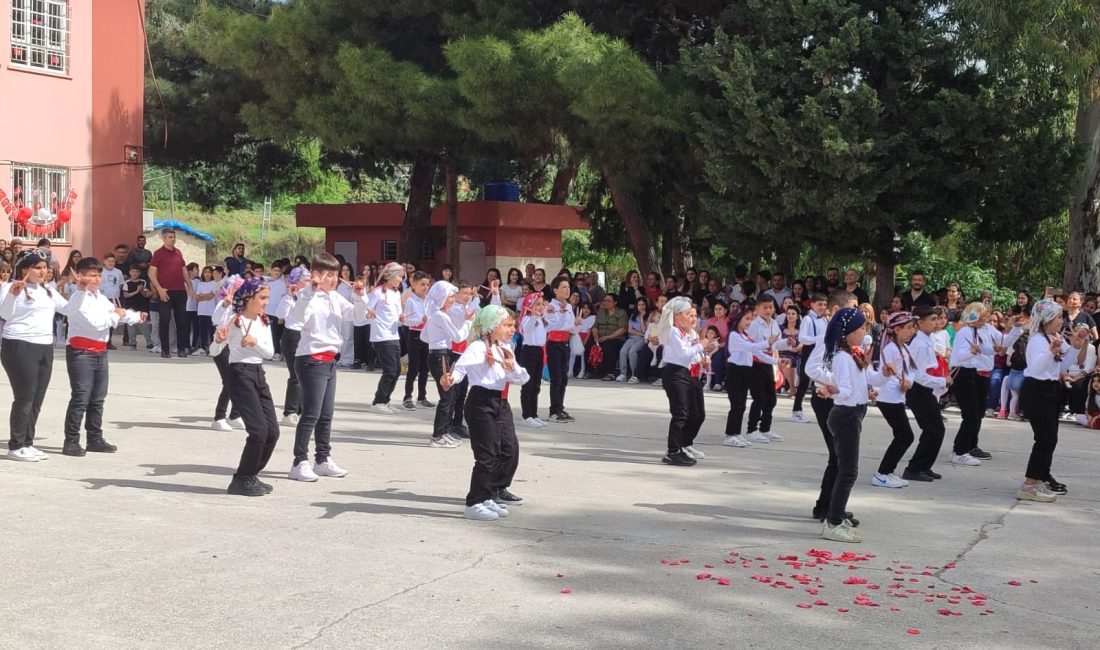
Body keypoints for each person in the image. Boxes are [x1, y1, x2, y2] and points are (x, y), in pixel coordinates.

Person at [441, 304, 530, 521]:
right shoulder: (478, 348)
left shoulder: (503, 348)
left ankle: (491, 493)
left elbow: (522, 379)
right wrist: (449, 380)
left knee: (509, 449)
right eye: (507, 325)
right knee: (487, 454)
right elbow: (459, 369)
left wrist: (512, 368)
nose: (511, 330)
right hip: (481, 402)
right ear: (491, 326)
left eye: (513, 326)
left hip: (500, 403)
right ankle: (474, 502)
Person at [287, 252, 369, 482]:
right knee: (311, 413)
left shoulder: (334, 297)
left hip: (330, 359)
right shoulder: (307, 295)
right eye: (329, 275)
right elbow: (297, 319)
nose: (333, 280)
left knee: (326, 415)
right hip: (311, 359)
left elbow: (356, 316)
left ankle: (322, 459)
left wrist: (360, 296)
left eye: (335, 275)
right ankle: (299, 461)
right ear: (316, 275)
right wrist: (308, 292)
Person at [57, 257, 144, 456]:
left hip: (99, 352)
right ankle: (71, 440)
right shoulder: (77, 299)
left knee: (97, 398)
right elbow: (96, 323)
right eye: (93, 275)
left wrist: (136, 316)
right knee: (81, 398)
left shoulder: (99, 296)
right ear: (80, 276)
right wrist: (118, 316)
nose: (97, 279)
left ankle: (94, 438)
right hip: (81, 353)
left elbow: (116, 312)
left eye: (99, 275)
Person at [207, 276, 279, 497]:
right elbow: (214, 351)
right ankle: (241, 479)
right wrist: (219, 340)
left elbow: (269, 353)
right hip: (239, 374)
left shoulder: (264, 321)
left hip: (258, 374)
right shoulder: (234, 320)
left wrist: (254, 344)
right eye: (262, 298)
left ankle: (250, 474)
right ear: (248, 298)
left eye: (267, 298)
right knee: (258, 431)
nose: (266, 302)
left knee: (272, 432)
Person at [1, 250, 69, 461]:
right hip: (19, 345)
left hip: (44, 346)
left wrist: (84, 290)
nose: (43, 272)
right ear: (24, 269)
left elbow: (69, 309)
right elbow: (4, 314)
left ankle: (28, 442)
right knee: (25, 396)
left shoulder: (47, 290)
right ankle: (16, 445)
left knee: (37, 398)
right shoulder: (9, 287)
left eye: (45, 268)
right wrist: (13, 293)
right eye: (37, 268)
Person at [1017, 300, 1087, 502]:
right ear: (1046, 320)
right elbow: (1036, 368)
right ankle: (1029, 485)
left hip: (1050, 390)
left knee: (1050, 438)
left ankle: (1039, 477)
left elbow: (1063, 365)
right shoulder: (1038, 340)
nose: (1061, 321)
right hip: (1037, 391)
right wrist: (1050, 351)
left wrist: (1075, 346)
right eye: (1057, 317)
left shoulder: (1053, 337)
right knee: (1045, 438)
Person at [817, 307, 877, 543]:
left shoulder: (854, 354)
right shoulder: (842, 358)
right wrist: (833, 390)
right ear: (848, 332)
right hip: (846, 415)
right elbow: (845, 391)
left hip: (854, 412)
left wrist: (882, 378)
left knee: (847, 469)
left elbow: (869, 380)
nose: (865, 331)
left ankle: (836, 515)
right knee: (848, 471)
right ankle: (833, 522)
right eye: (861, 328)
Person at [657, 296, 715, 466]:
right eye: (688, 314)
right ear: (676, 316)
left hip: (690, 373)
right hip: (675, 373)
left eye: (694, 315)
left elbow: (693, 354)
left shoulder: (691, 333)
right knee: (680, 413)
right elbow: (683, 354)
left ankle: (684, 444)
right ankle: (673, 450)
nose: (693, 318)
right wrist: (701, 345)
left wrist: (703, 355)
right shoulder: (673, 331)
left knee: (697, 414)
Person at [900, 305, 951, 482]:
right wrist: (942, 381)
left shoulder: (927, 340)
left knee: (935, 429)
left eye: (937, 319)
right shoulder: (920, 344)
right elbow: (919, 375)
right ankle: (914, 468)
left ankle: (924, 465)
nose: (936, 323)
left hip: (925, 390)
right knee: (933, 429)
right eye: (932, 319)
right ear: (920, 323)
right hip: (919, 390)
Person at [870, 312, 919, 489]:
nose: (911, 331)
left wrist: (909, 382)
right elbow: (884, 373)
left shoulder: (905, 348)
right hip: (888, 397)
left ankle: (887, 471)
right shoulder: (889, 349)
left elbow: (913, 370)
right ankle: (882, 473)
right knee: (905, 436)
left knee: (903, 436)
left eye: (912, 327)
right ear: (896, 330)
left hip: (898, 396)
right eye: (908, 328)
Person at [423, 280, 471, 448]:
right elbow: (458, 337)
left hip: (439, 354)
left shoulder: (434, 315)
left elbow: (424, 337)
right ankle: (438, 435)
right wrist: (468, 322)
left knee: (448, 396)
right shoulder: (440, 315)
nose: (452, 299)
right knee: (447, 396)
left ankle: (443, 432)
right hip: (441, 356)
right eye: (450, 296)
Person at [724, 302, 773, 448]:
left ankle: (737, 433)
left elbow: (756, 352)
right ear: (738, 319)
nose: (749, 322)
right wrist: (767, 342)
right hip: (735, 371)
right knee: (736, 404)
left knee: (742, 404)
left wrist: (776, 360)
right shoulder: (733, 335)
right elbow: (750, 347)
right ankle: (729, 435)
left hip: (745, 371)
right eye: (746, 319)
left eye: (750, 319)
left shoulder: (744, 335)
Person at [365, 262, 406, 414]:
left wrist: (402, 318)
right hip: (381, 336)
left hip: (394, 334)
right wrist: (369, 314)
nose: (401, 280)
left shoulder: (396, 293)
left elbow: (397, 315)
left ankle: (386, 400)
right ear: (390, 276)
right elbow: (366, 311)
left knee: (396, 370)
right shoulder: (377, 293)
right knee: (389, 370)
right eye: (399, 277)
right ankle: (378, 402)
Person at [148, 228, 193, 359]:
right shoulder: (158, 253)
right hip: (166, 292)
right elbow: (152, 273)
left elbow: (183, 269)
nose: (172, 239)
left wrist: (189, 285)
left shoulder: (178, 252)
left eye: (173, 237)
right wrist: (159, 289)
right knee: (164, 321)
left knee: (182, 321)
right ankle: (165, 349)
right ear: (163, 238)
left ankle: (181, 349)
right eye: (169, 237)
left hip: (180, 291)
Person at [745, 297, 782, 443]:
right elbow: (756, 349)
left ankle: (765, 427)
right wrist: (775, 360)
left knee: (771, 398)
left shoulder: (774, 323)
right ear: (758, 309)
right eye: (765, 307)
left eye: (771, 307)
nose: (768, 310)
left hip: (767, 363)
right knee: (759, 397)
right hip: (755, 363)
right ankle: (751, 429)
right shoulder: (754, 325)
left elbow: (776, 343)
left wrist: (788, 343)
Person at [276, 266, 308, 426]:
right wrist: (289, 296)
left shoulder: (310, 295)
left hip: (306, 336)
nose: (309, 282)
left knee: (305, 376)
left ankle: (302, 409)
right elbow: (280, 315)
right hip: (292, 336)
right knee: (296, 375)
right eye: (306, 279)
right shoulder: (289, 297)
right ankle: (289, 412)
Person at [401, 271, 434, 411]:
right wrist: (421, 320)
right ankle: (407, 397)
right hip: (414, 335)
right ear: (414, 284)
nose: (425, 287)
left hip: (427, 335)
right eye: (422, 284)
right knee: (413, 368)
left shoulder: (429, 301)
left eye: (427, 284)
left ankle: (422, 397)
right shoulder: (411, 300)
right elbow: (407, 320)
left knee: (424, 368)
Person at [792, 293, 827, 423]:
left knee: (821, 380)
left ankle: (822, 408)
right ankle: (796, 410)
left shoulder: (823, 319)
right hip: (810, 350)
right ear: (812, 304)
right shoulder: (808, 319)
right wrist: (816, 339)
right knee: (804, 381)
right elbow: (802, 337)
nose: (822, 307)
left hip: (821, 351)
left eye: (824, 304)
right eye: (819, 304)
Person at [545, 277, 576, 423]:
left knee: (563, 378)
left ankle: (560, 407)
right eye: (563, 287)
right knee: (556, 378)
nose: (567, 290)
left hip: (565, 342)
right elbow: (551, 326)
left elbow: (570, 326)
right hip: (554, 343)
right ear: (555, 290)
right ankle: (554, 410)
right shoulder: (551, 306)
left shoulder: (569, 306)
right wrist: (562, 314)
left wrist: (576, 325)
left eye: (568, 287)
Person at [517, 292, 547, 428]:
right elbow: (526, 330)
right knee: (528, 385)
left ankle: (534, 414)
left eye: (542, 304)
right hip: (529, 351)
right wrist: (534, 316)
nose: (540, 307)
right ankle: (526, 415)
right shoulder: (527, 319)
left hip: (539, 351)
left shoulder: (541, 319)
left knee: (536, 385)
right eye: (537, 304)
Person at [592, 293, 628, 381]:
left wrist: (609, 337)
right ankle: (591, 371)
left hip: (616, 338)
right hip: (600, 337)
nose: (606, 303)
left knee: (609, 345)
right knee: (589, 344)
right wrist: (596, 338)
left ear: (615, 302)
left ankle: (610, 373)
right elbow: (595, 327)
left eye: (609, 301)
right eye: (605, 301)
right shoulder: (601, 312)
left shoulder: (621, 313)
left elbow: (622, 329)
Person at [616, 297, 651, 383]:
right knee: (623, 351)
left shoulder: (649, 316)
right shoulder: (633, 315)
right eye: (639, 304)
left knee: (632, 352)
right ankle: (623, 374)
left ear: (646, 305)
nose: (641, 306)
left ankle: (634, 374)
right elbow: (629, 330)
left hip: (642, 339)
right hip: (632, 337)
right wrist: (640, 333)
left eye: (643, 304)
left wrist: (642, 318)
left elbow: (644, 330)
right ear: (636, 306)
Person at [122, 264, 153, 349]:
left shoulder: (143, 282)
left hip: (141, 306)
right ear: (130, 272)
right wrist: (136, 291)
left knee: (144, 326)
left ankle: (149, 342)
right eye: (133, 272)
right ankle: (132, 342)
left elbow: (146, 295)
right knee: (131, 327)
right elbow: (125, 295)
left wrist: (142, 290)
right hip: (130, 307)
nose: (134, 273)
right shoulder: (126, 283)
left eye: (136, 272)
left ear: (139, 273)